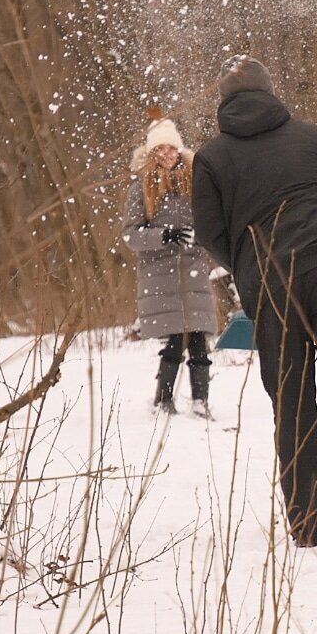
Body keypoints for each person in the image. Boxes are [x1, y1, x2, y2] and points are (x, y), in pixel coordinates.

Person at [191, 55, 317, 546]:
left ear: (223, 101)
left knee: (292, 400)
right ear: (271, 90)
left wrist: (247, 264)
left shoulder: (212, 158)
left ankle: (308, 519)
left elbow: (210, 232)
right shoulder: (310, 136)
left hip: (270, 280)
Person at [122, 110, 218, 416]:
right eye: (160, 149)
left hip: (193, 273)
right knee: (175, 342)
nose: (166, 154)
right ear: (151, 153)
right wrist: (164, 236)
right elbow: (130, 235)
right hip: (161, 276)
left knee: (200, 342)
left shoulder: (196, 180)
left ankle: (201, 400)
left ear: (180, 149)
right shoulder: (141, 187)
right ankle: (163, 400)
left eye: (171, 148)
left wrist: (197, 237)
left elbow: (212, 224)